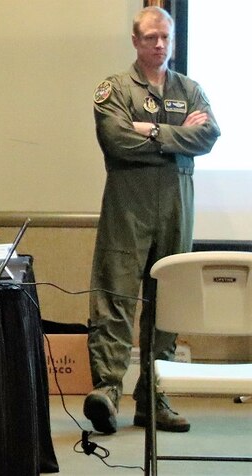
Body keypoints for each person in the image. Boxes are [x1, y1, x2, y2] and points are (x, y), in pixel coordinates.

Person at [84, 6, 220, 435]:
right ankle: (107, 390)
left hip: (176, 207)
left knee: (167, 303)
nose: (158, 44)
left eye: (165, 37)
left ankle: (152, 395)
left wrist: (151, 130)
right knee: (116, 297)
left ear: (172, 40)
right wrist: (176, 134)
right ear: (135, 40)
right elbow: (116, 139)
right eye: (149, 37)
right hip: (129, 204)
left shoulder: (190, 89)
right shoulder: (115, 89)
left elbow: (208, 135)